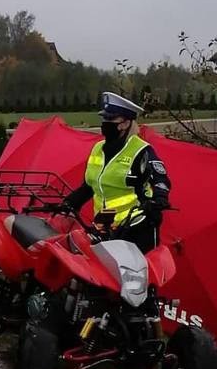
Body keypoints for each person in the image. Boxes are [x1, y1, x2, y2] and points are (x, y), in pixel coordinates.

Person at [62, 91, 171, 252]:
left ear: (126, 123)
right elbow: (89, 186)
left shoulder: (141, 151)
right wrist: (67, 204)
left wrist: (159, 199)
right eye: (104, 119)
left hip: (136, 228)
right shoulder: (98, 149)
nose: (105, 123)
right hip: (104, 228)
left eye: (111, 119)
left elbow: (161, 180)